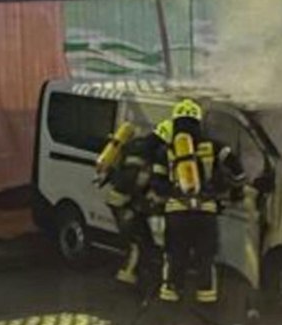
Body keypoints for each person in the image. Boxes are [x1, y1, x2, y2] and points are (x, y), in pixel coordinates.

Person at [156, 98, 245, 304]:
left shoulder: (166, 151)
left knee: (174, 254)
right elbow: (237, 171)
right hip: (206, 211)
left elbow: (157, 183)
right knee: (206, 256)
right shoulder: (215, 147)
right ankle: (206, 297)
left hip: (176, 213)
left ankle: (170, 293)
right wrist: (234, 192)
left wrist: (172, 193)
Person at [93, 118, 168, 285]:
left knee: (141, 238)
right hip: (124, 203)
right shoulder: (155, 152)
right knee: (137, 242)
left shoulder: (135, 144)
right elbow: (137, 180)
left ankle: (139, 275)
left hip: (117, 198)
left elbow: (120, 168)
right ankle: (127, 277)